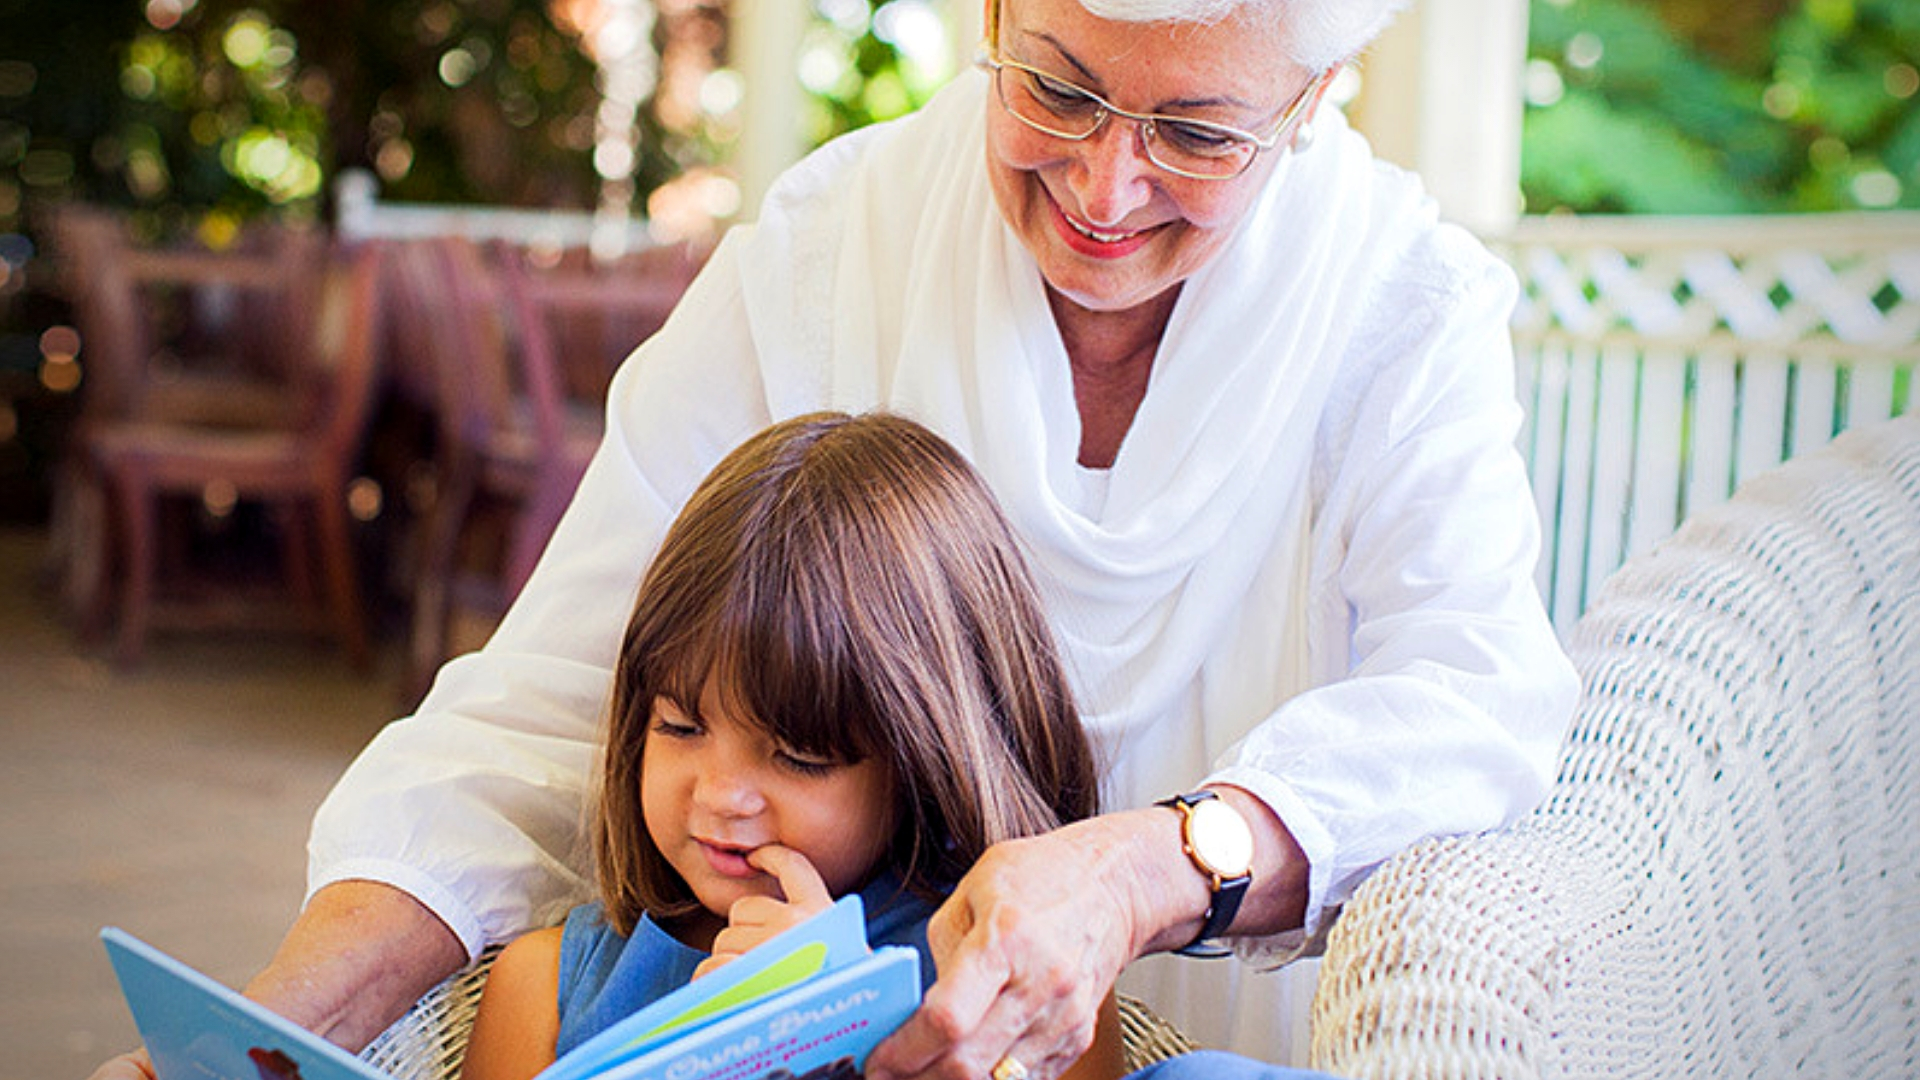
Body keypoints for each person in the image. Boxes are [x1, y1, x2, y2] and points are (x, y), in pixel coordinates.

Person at [92, 0, 1580, 1077]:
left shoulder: (1400, 304)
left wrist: (1153, 864)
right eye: (1055, 89)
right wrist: (277, 1035)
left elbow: (1475, 698)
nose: (1104, 187)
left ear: (1311, 100)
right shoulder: (827, 248)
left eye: (1194, 131)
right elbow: (553, 697)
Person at [457, 411, 1126, 1080]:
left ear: (923, 764)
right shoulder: (544, 991)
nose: (719, 795)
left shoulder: (1020, 990)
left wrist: (840, 1028)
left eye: (798, 757)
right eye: (681, 727)